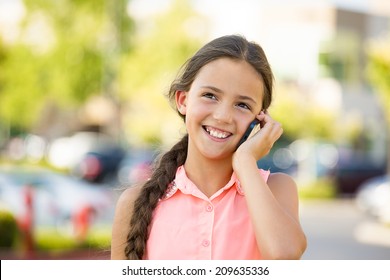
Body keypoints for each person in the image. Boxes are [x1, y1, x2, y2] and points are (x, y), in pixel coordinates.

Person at [111, 34, 307, 260]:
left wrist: (245, 161)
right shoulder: (135, 203)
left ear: (260, 120)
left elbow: (285, 255)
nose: (223, 116)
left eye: (242, 105)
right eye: (210, 95)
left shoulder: (276, 189)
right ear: (183, 100)